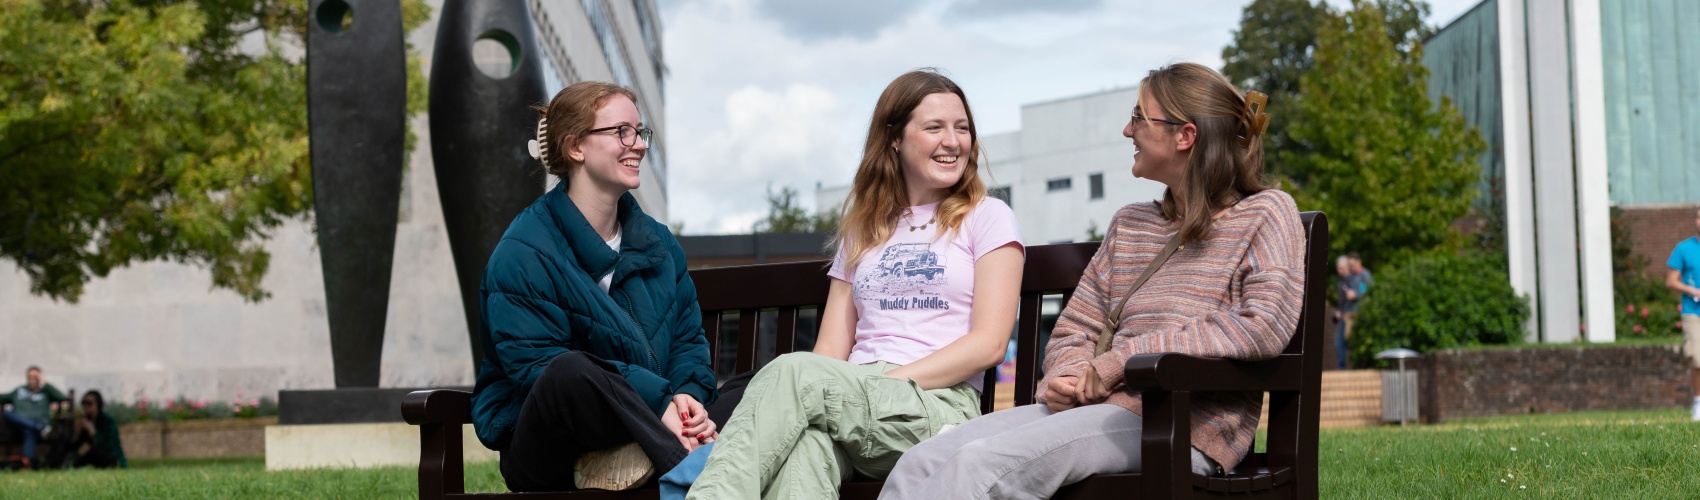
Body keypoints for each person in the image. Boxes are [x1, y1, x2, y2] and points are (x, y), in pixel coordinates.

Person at [880, 62, 1305, 499]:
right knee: (924, 459)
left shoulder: (1266, 213)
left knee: (980, 466)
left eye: (1139, 117)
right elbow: (1075, 329)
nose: (1127, 129)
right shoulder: (1131, 223)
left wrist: (1118, 362)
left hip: (1180, 425)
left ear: (1185, 136)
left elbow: (1261, 325)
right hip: (1091, 414)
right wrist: (1068, 377)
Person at [683, 69, 1025, 499]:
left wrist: (886, 383)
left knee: (792, 371)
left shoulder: (988, 216)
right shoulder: (863, 229)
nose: (953, 141)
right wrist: (859, 387)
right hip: (849, 403)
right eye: (934, 127)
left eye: (962, 128)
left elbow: (990, 344)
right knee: (805, 449)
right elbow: (830, 351)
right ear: (895, 138)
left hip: (936, 406)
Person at [472, 81, 716, 492]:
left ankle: (654, 456)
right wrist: (658, 403)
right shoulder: (524, 250)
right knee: (567, 371)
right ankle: (694, 474)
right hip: (554, 446)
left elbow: (688, 342)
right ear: (575, 148)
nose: (637, 144)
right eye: (621, 131)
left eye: (640, 132)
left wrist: (687, 401)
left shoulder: (659, 244)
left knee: (757, 385)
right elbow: (533, 368)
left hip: (659, 420)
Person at [1667, 206, 1700, 421]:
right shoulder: (1683, 249)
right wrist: (1693, 291)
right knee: (1698, 358)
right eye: (1699, 216)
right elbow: (1670, 281)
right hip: (1692, 312)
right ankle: (1698, 403)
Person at [1, 366, 69, 467]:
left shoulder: (45, 391)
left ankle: (25, 463)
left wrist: (45, 383)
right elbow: (3, 397)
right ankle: (38, 427)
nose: (31, 379)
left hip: (32, 427)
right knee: (7, 413)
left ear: (40, 378)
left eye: (35, 377)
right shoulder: (19, 390)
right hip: (20, 427)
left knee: (29, 430)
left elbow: (62, 397)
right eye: (29, 377)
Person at [48, 390, 126, 469]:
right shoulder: (84, 421)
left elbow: (109, 447)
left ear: (98, 405)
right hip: (94, 456)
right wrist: (76, 433)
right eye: (83, 403)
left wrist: (93, 432)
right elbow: (74, 447)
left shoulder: (108, 422)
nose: (85, 406)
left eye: (89, 403)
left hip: (112, 458)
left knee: (93, 451)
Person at [1333, 254, 1367, 369]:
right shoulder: (1343, 281)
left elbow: (1364, 289)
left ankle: (1355, 367)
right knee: (1341, 342)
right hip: (1345, 315)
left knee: (1348, 341)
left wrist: (1356, 294)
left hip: (1352, 314)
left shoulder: (1360, 276)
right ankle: (1344, 368)